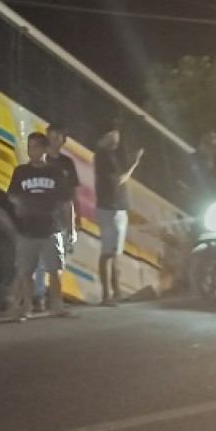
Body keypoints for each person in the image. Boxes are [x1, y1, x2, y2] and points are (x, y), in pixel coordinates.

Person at [8, 132, 75, 319]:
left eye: (36, 147)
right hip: (26, 228)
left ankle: (57, 306)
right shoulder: (20, 172)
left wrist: (71, 227)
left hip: (51, 227)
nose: (32, 151)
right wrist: (20, 205)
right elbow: (12, 195)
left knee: (55, 270)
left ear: (45, 148)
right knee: (25, 270)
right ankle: (27, 307)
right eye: (30, 147)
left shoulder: (55, 173)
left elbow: (66, 202)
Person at [94, 125, 143, 307]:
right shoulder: (102, 155)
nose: (117, 137)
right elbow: (118, 180)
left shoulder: (112, 154)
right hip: (109, 208)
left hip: (119, 207)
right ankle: (107, 294)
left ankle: (117, 292)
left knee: (116, 253)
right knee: (108, 252)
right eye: (113, 134)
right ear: (105, 136)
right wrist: (134, 163)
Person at [32, 124, 79, 312]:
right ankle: (39, 297)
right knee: (41, 259)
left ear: (63, 140)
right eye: (51, 136)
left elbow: (73, 193)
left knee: (58, 259)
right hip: (43, 212)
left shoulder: (67, 163)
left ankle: (54, 298)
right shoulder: (41, 161)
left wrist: (75, 218)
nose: (54, 139)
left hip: (62, 213)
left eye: (59, 136)